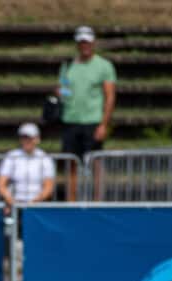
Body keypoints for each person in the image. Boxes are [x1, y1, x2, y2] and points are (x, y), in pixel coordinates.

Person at [58, 25, 116, 197]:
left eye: (87, 42)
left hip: (92, 121)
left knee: (95, 163)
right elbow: (64, 89)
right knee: (71, 164)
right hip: (70, 120)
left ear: (93, 43)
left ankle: (98, 200)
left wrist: (103, 124)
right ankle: (71, 201)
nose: (85, 46)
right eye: (81, 42)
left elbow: (110, 96)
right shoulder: (67, 65)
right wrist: (60, 93)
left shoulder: (104, 66)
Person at [0, 122, 55, 216]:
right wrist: (12, 202)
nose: (27, 141)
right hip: (15, 203)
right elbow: (1, 184)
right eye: (24, 138)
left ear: (37, 139)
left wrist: (34, 202)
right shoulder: (11, 156)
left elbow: (48, 187)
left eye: (30, 138)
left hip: (37, 205)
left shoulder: (45, 158)